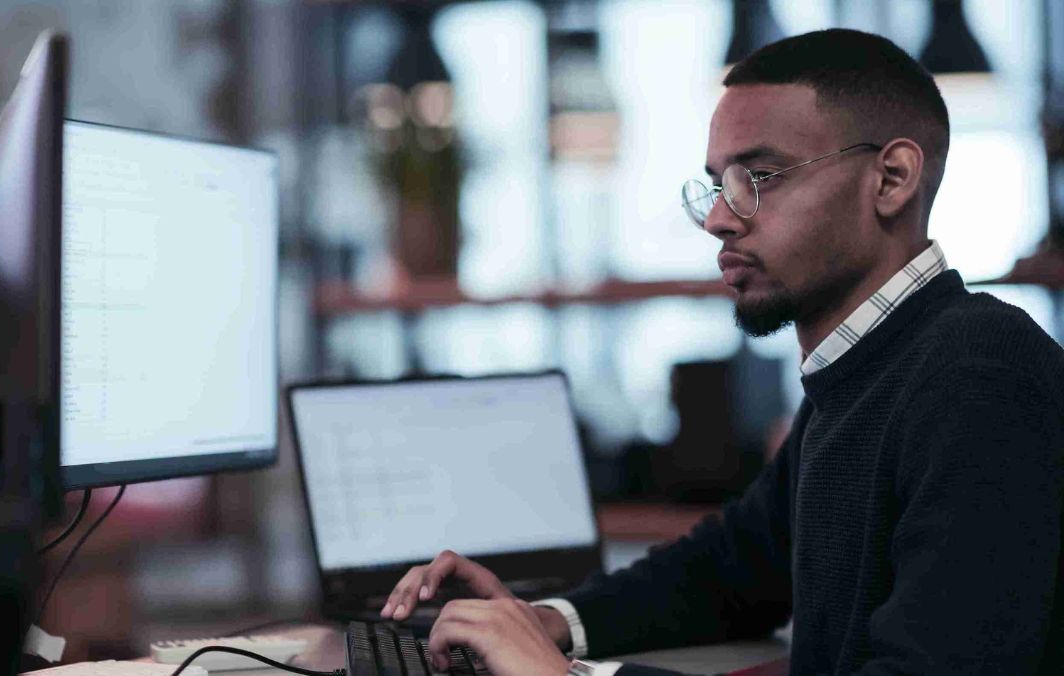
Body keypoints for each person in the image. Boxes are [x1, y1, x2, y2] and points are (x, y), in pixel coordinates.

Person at [377, 28, 1064, 676]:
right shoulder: (862, 375)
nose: (717, 218)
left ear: (890, 179)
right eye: (717, 183)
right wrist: (541, 620)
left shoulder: (979, 374)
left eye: (758, 177)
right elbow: (731, 568)